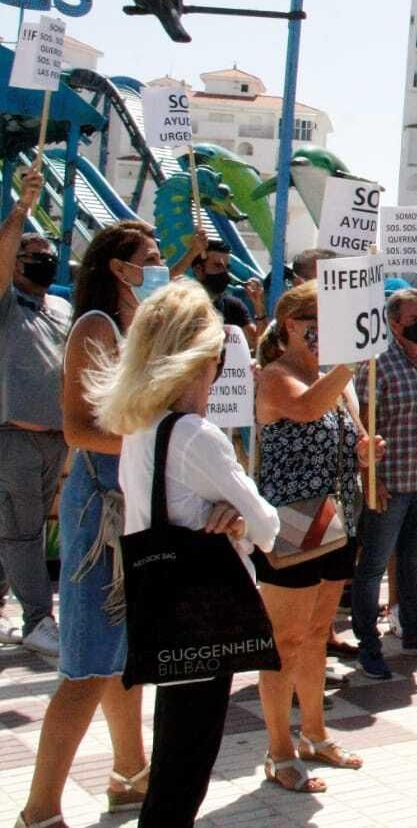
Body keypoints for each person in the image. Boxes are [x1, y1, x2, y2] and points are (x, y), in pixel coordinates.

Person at [85, 279, 279, 827]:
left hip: (159, 604)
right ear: (209, 357)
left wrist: (235, 520)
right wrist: (242, 521)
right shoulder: (197, 434)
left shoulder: (142, 429)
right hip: (205, 611)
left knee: (173, 753)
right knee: (187, 766)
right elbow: (266, 525)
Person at [15, 218, 164, 828]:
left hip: (134, 504)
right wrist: (159, 440)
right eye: (150, 257)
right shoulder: (96, 328)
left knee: (121, 656)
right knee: (86, 665)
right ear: (117, 267)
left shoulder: (139, 331)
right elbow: (79, 428)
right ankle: (39, 810)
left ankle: (130, 773)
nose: (160, 266)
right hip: (100, 511)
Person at [252, 282, 382, 793]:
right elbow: (305, 409)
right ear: (290, 324)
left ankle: (313, 732)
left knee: (316, 633)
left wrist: (366, 452)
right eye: (318, 319)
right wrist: (352, 362)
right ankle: (279, 749)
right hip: (293, 525)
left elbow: (348, 441)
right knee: (284, 640)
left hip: (337, 520)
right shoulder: (274, 378)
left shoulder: (337, 384)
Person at [351, 289, 417, 679]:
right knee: (374, 566)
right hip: (390, 484)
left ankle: (415, 632)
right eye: (413, 319)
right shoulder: (376, 364)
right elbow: (364, 423)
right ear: (393, 324)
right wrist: (370, 478)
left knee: (413, 563)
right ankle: (368, 643)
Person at [0, 169, 69, 656]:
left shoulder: (62, 308)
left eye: (50, 257)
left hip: (55, 438)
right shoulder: (6, 303)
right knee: (22, 530)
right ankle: (39, 618)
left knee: (16, 529)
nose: (45, 263)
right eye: (35, 257)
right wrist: (21, 209)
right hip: (15, 437)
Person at [192, 238, 264, 345]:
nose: (224, 273)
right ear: (198, 270)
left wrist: (258, 305)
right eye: (217, 266)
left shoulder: (232, 306)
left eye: (227, 267)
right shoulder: (185, 306)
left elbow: (257, 342)